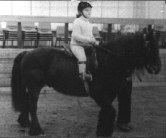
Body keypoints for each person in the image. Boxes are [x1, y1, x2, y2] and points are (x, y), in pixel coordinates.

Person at [70, 1, 99, 81]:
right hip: (77, 45)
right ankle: (82, 75)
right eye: (86, 10)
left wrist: (95, 41)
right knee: (82, 57)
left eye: (90, 10)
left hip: (86, 45)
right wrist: (89, 40)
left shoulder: (89, 23)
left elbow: (90, 35)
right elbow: (75, 36)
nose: (89, 12)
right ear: (80, 11)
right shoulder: (77, 21)